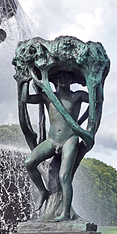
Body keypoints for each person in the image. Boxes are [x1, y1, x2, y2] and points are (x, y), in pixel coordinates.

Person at [23, 71, 90, 221]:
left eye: (67, 76)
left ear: (72, 79)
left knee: (63, 176)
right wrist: (24, 82)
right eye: (60, 76)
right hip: (52, 140)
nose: (64, 78)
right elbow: (25, 99)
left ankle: (65, 213)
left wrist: (80, 124)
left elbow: (97, 101)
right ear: (55, 79)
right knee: (29, 163)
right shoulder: (48, 96)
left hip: (69, 139)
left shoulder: (77, 96)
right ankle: (42, 191)